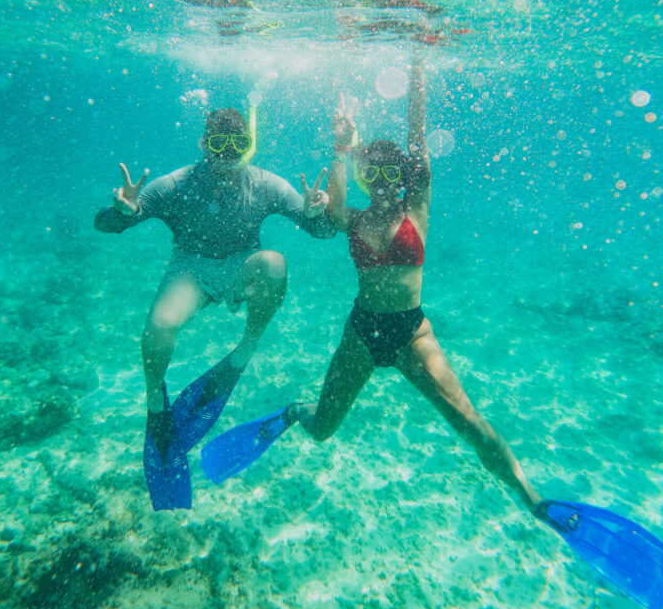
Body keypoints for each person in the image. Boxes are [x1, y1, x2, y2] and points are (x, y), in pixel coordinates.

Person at [200, 57, 540, 513]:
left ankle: (533, 500)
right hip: (362, 332)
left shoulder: (416, 207)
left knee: (469, 423)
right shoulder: (354, 218)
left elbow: (417, 139)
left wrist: (418, 73)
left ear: (404, 178)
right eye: (371, 176)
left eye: (389, 175)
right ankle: (294, 412)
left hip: (410, 334)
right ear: (363, 178)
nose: (380, 184)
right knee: (320, 429)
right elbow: (334, 210)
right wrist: (341, 148)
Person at [95, 106, 335, 510]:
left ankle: (245, 350)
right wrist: (122, 213)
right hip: (191, 271)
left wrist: (316, 215)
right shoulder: (175, 184)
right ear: (203, 145)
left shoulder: (265, 184)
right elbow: (105, 224)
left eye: (236, 145)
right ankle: (157, 403)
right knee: (159, 326)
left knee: (275, 264)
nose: (226, 155)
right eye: (218, 145)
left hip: (243, 268)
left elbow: (322, 231)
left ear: (247, 147)